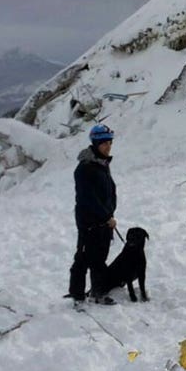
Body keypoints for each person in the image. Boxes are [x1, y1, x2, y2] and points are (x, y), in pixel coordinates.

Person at [66, 124, 118, 304]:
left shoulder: (101, 164)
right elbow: (88, 199)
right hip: (89, 222)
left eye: (109, 142)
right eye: (104, 143)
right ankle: (77, 295)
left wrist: (110, 213)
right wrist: (107, 216)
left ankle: (98, 292)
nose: (108, 146)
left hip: (104, 221)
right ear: (95, 143)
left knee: (99, 258)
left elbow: (108, 192)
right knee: (83, 259)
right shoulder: (85, 168)